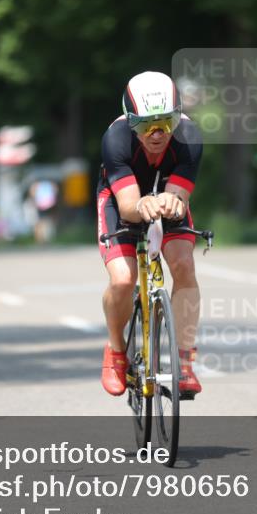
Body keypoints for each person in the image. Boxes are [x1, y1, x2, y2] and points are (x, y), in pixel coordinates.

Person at [96, 71, 203, 398]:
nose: (157, 134)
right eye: (145, 125)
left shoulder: (189, 137)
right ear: (130, 121)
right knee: (123, 279)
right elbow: (129, 207)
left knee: (183, 266)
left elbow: (179, 194)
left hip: (164, 196)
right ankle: (116, 351)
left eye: (165, 123)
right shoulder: (115, 139)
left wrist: (174, 200)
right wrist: (147, 203)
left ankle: (184, 362)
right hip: (123, 200)